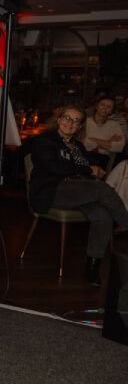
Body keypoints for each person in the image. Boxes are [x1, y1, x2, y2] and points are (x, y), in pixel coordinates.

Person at [29, 104, 128, 287]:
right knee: (101, 189)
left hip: (77, 192)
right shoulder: (45, 140)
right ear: (58, 119)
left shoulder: (78, 146)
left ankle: (91, 268)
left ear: (80, 126)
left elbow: (91, 163)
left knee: (103, 215)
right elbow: (55, 167)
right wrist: (88, 169)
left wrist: (96, 168)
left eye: (76, 120)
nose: (70, 122)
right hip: (52, 191)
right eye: (67, 117)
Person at [83, 95, 125, 168]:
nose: (104, 108)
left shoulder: (114, 125)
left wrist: (94, 139)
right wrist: (108, 142)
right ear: (96, 106)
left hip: (102, 161)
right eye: (102, 105)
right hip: (83, 157)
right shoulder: (85, 122)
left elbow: (120, 147)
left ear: (111, 111)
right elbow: (83, 143)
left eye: (109, 107)